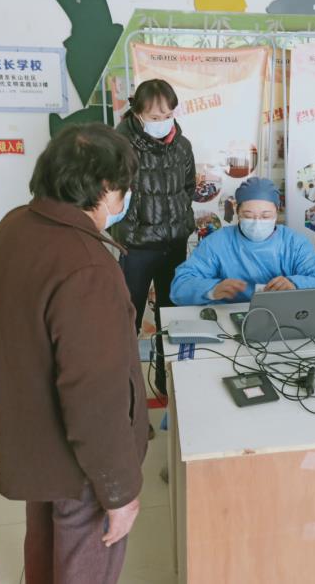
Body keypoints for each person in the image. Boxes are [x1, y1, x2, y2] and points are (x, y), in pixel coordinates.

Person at [0, 124, 148, 584]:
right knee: (83, 563)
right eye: (124, 187)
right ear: (106, 187)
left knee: (45, 554)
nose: (125, 197)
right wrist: (118, 491)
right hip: (80, 465)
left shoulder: (15, 226)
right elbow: (95, 396)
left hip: (34, 442)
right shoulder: (86, 265)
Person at [113, 79, 195, 395]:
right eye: (154, 117)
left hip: (173, 245)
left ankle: (166, 383)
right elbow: (109, 195)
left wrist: (174, 218)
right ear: (137, 113)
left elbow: (188, 187)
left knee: (172, 317)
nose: (162, 123)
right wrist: (132, 226)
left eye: (168, 115)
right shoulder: (120, 147)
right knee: (127, 320)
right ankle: (125, 393)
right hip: (136, 246)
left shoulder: (182, 145)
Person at [170, 177, 315, 305]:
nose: (257, 222)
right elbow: (179, 287)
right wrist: (212, 289)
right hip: (225, 319)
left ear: (277, 212)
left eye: (266, 216)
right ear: (238, 213)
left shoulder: (294, 243)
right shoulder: (217, 243)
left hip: (281, 314)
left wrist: (295, 284)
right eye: (248, 215)